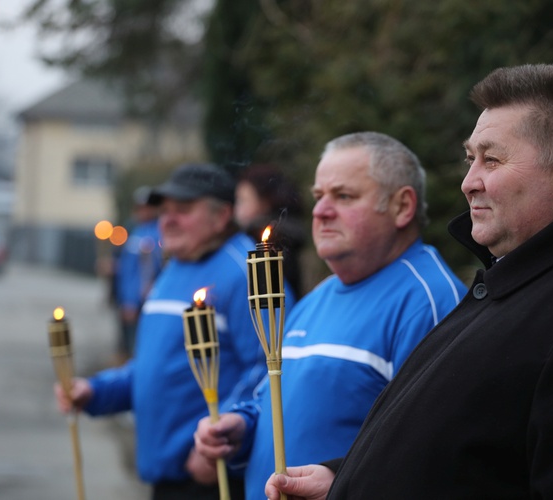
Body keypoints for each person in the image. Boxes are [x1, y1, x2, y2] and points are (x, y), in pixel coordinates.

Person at [265, 64, 553, 500]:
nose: (467, 182)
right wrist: (344, 481)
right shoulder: (522, 279)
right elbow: (475, 455)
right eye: (470, 159)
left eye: (491, 160)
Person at [192, 132, 467, 499]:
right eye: (319, 196)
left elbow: (432, 453)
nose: (321, 211)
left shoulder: (429, 301)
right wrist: (241, 425)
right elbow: (273, 397)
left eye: (344, 196)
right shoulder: (317, 296)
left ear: (402, 207)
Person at [54, 163, 296, 500]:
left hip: (214, 476)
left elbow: (272, 370)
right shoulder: (173, 268)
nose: (166, 220)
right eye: (164, 210)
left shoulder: (247, 272)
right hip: (165, 475)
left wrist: (220, 439)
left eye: (183, 210)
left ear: (221, 215)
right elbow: (154, 366)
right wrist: (95, 392)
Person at [234, 163, 307, 297]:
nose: (237, 210)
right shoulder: (288, 233)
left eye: (243, 201)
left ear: (265, 203)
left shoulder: (268, 241)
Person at [113, 185, 163, 359]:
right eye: (140, 207)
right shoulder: (135, 230)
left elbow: (150, 269)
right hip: (130, 300)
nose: (143, 211)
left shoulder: (159, 232)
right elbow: (128, 268)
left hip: (144, 301)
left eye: (147, 207)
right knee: (128, 347)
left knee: (140, 349)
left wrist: (132, 300)